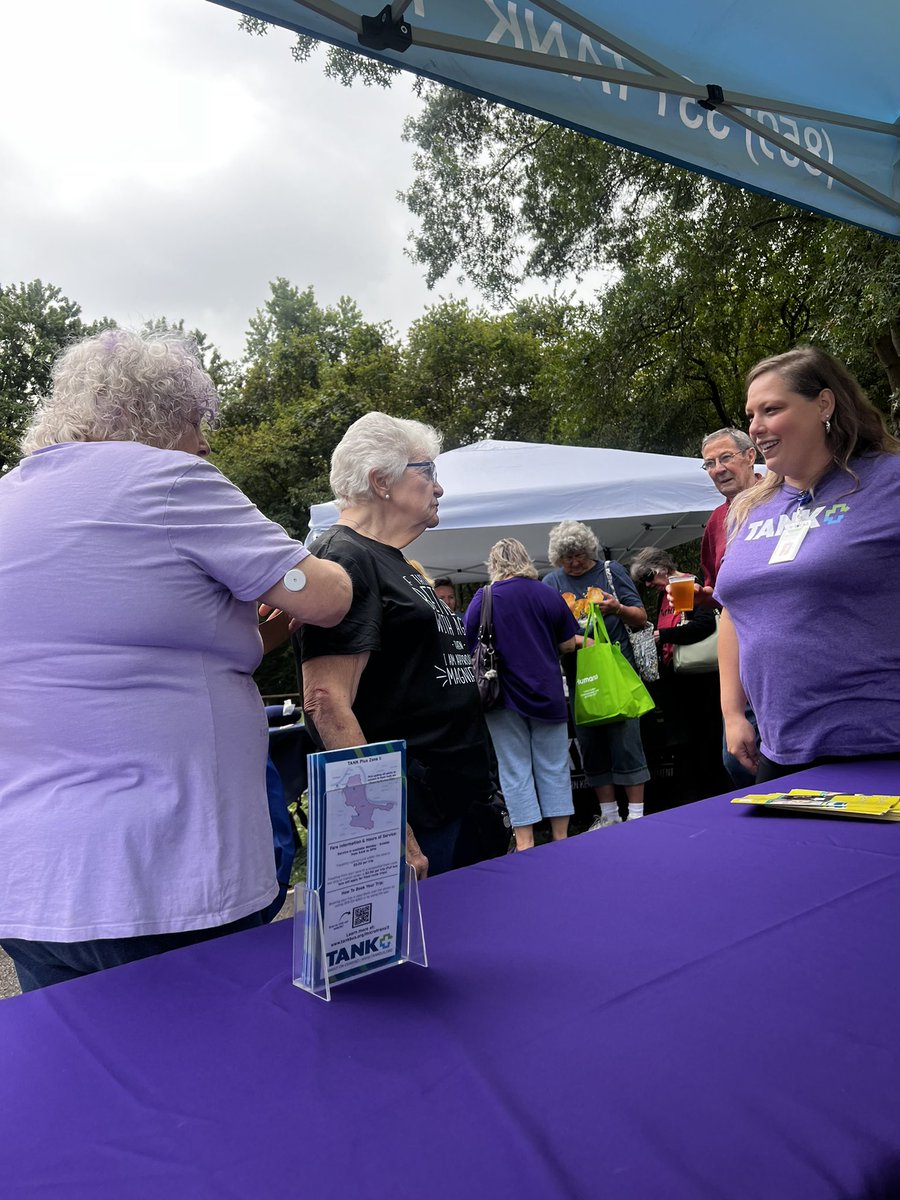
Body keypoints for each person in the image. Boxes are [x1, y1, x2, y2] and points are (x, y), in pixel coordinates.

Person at [0, 329, 351, 992]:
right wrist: (329, 565)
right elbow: (326, 597)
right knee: (207, 1052)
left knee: (83, 1056)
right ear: (159, 417)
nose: (207, 445)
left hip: (31, 887)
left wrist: (257, 633)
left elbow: (121, 658)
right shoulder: (169, 482)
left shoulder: (9, 499)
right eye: (198, 423)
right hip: (169, 880)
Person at [295, 412, 494, 878]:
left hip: (454, 800)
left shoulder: (392, 560)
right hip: (416, 813)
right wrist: (389, 830)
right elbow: (324, 700)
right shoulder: (344, 558)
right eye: (428, 471)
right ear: (381, 481)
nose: (439, 488)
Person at [715, 345, 900, 782]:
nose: (755, 428)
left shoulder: (889, 483)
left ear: (824, 404)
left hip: (878, 743)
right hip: (780, 748)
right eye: (751, 415)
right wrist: (733, 713)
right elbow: (733, 613)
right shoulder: (749, 508)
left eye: (771, 409)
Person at [464, 538, 581, 851]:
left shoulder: (485, 597)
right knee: (554, 765)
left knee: (514, 768)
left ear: (493, 564)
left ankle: (525, 843)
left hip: (500, 696)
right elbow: (568, 643)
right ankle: (560, 839)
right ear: (525, 559)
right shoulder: (546, 592)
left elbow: (467, 641)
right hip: (547, 692)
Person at [543, 520, 650, 827]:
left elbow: (641, 617)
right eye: (567, 558)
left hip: (618, 674)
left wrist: (617, 609)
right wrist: (577, 641)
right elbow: (548, 632)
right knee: (592, 747)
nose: (574, 563)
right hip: (581, 678)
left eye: (579, 555)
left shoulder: (610, 571)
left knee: (627, 743)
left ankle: (637, 817)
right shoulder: (551, 583)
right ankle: (609, 816)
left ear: (589, 550)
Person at [628, 548, 728, 801]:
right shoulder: (666, 593)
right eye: (644, 580)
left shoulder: (688, 584)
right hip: (677, 676)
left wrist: (664, 635)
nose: (648, 584)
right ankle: (696, 794)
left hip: (699, 677)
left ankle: (712, 792)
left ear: (662, 567)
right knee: (686, 740)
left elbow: (704, 625)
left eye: (648, 576)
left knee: (704, 737)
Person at [698, 428, 763, 786]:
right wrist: (703, 597)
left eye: (725, 458)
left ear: (751, 456)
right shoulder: (715, 522)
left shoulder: (784, 498)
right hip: (742, 655)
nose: (717, 469)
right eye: (709, 463)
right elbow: (721, 593)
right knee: (738, 761)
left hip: (788, 655)